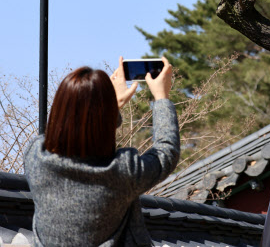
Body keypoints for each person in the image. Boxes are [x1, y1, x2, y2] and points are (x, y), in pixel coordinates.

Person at [25, 56, 180, 247]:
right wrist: (161, 98)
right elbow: (166, 152)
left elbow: (75, 132)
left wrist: (109, 108)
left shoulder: (35, 156)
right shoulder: (123, 172)